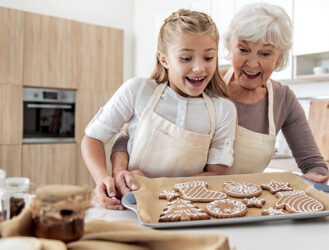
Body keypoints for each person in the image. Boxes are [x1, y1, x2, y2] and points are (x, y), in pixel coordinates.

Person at [111, 2, 329, 201]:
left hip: (249, 207)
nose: (252, 64)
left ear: (279, 57)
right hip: (183, 201)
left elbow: (314, 166)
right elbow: (131, 135)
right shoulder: (202, 84)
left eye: (265, 53)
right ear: (229, 46)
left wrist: (314, 181)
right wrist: (120, 174)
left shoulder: (283, 99)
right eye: (243, 50)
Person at [81, 9, 237, 210]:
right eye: (186, 58)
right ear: (164, 59)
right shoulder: (138, 91)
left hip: (187, 210)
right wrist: (103, 177)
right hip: (129, 207)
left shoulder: (223, 110)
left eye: (208, 58)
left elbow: (217, 174)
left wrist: (155, 186)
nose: (199, 68)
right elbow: (93, 138)